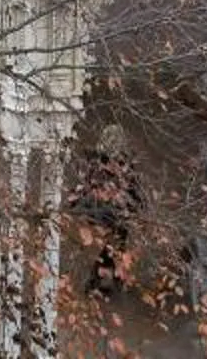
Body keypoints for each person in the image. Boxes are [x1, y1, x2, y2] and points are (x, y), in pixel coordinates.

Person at [70, 123, 141, 297]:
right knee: (117, 239)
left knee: (116, 240)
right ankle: (103, 279)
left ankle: (107, 278)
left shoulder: (94, 160)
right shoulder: (122, 164)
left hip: (96, 211)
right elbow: (133, 190)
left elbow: (83, 185)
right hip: (106, 213)